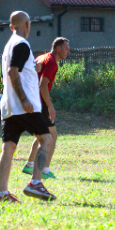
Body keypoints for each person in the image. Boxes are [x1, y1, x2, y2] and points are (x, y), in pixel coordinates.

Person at [0, 11, 56, 202]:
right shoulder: (22, 43)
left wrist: (32, 68)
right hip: (24, 105)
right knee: (46, 139)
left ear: (12, 27)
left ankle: (2, 192)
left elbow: (12, 71)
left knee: (9, 148)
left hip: (8, 106)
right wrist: (24, 99)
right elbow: (13, 72)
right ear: (27, 25)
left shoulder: (9, 46)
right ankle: (35, 183)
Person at [22, 37, 69, 180]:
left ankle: (30, 164)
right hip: (40, 103)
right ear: (58, 48)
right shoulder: (52, 62)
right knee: (52, 136)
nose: (68, 52)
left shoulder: (42, 57)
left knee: (42, 135)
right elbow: (42, 85)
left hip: (33, 100)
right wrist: (50, 107)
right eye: (66, 49)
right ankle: (45, 170)